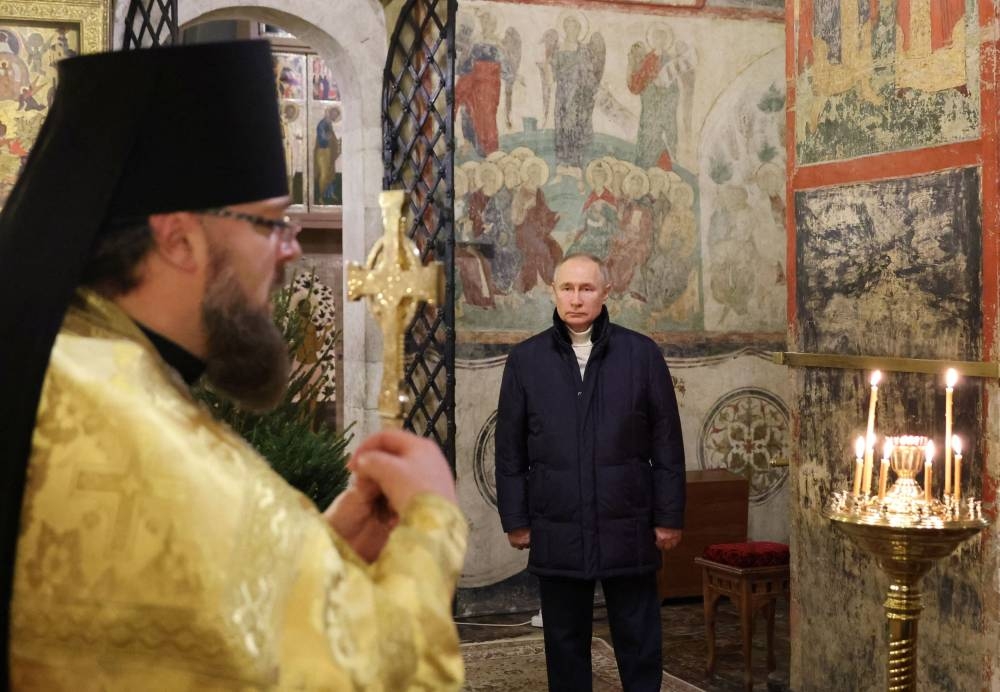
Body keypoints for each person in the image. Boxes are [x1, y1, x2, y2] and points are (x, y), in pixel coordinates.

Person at [0, 41, 467, 690]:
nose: (290, 251)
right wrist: (432, 524)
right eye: (272, 224)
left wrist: (315, 554)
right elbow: (371, 675)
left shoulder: (74, 362)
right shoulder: (147, 444)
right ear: (180, 237)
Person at [495, 253, 685, 692]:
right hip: (557, 521)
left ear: (605, 293)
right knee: (564, 642)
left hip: (628, 520)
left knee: (639, 638)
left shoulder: (641, 354)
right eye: (567, 288)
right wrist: (517, 519)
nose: (576, 299)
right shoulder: (526, 360)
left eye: (586, 289)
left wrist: (669, 516)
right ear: (554, 292)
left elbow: (667, 443)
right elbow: (510, 451)